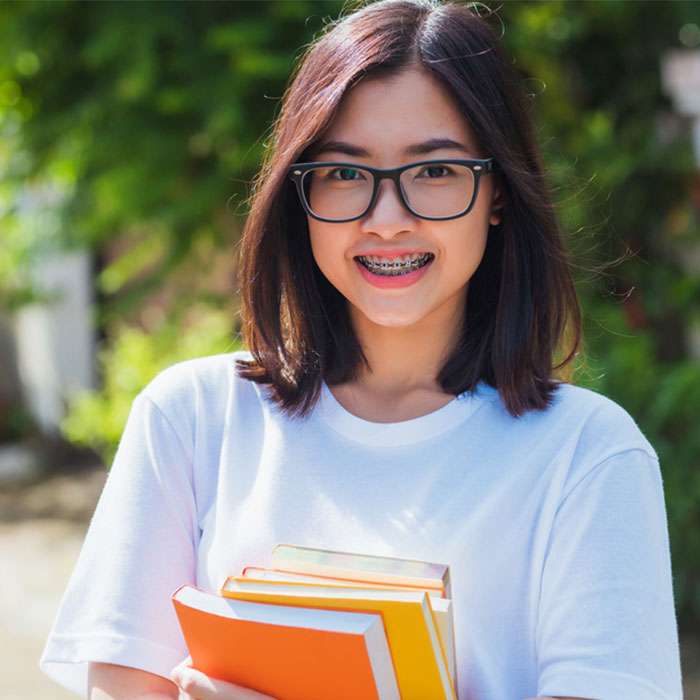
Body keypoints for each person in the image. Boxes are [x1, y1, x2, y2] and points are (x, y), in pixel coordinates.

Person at [39, 0, 683, 698]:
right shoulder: (192, 421)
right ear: (299, 192)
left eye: (434, 172)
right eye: (345, 174)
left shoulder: (587, 458)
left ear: (497, 190)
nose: (387, 220)